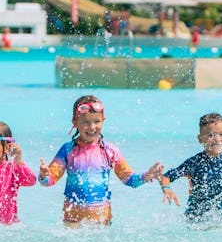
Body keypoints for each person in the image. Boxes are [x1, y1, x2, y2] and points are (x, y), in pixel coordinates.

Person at [38, 95, 164, 227]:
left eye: (97, 122)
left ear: (103, 120)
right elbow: (49, 181)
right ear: (75, 122)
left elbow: (129, 179)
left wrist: (145, 176)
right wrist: (44, 176)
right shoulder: (67, 150)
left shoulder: (109, 151)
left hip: (101, 221)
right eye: (86, 122)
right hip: (72, 220)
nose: (92, 127)